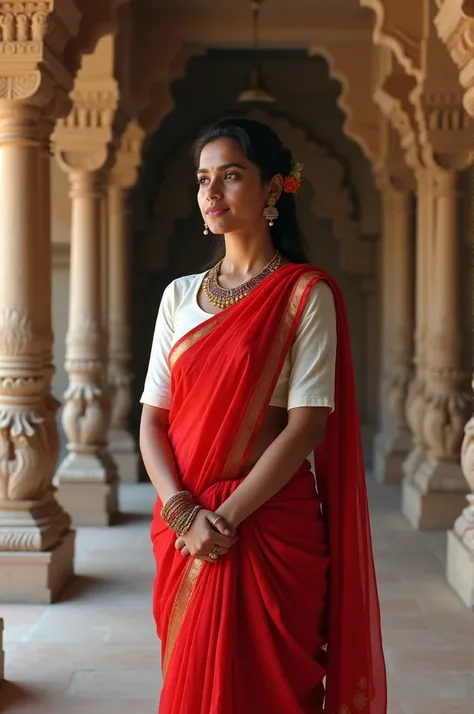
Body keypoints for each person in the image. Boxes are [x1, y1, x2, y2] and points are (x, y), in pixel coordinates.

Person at [139, 117, 387, 714]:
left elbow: (306, 424)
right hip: (183, 523)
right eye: (203, 179)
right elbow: (152, 419)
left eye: (231, 175)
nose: (212, 193)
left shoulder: (306, 295)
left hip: (267, 525)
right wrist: (182, 514)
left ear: (274, 189)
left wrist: (220, 521)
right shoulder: (178, 297)